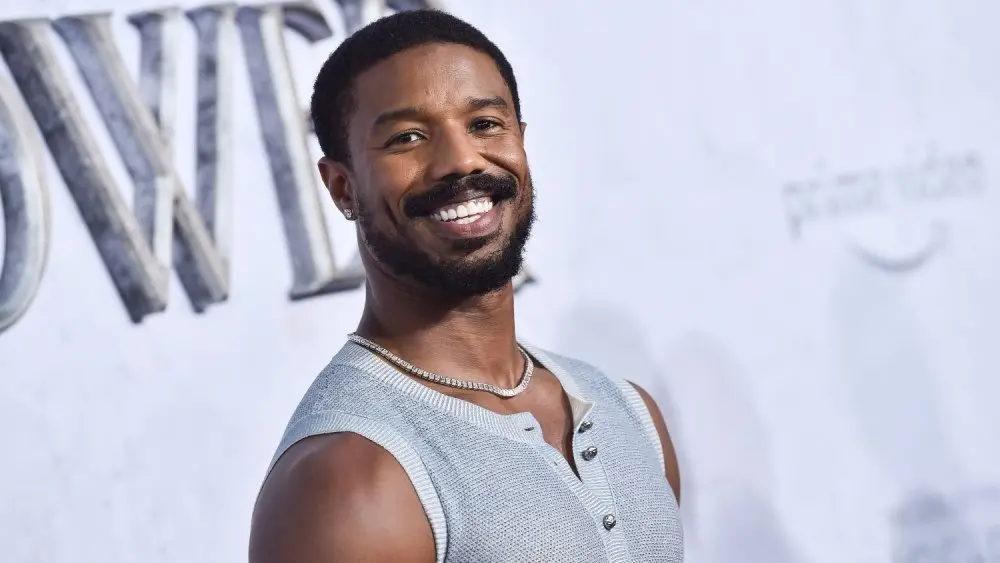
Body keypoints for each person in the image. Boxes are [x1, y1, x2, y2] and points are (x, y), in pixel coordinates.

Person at [249, 9, 683, 562]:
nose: (460, 161)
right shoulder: (347, 479)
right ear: (342, 187)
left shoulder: (628, 412)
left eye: (485, 124)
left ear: (521, 142)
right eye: (408, 137)